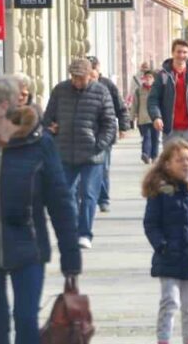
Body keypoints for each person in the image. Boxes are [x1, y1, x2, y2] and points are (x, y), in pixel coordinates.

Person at [0, 76, 81, 344]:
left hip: (29, 246)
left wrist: (71, 256)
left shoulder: (39, 144)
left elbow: (60, 203)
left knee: (26, 321)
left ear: (3, 106)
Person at [142, 140, 188, 344]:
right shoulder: (160, 192)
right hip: (168, 258)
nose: (186, 164)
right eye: (180, 160)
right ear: (167, 164)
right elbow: (151, 223)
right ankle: (164, 339)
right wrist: (161, 245)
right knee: (170, 302)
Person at [43, 58, 117, 250]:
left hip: (92, 154)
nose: (77, 81)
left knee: (88, 194)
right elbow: (47, 117)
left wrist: (100, 144)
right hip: (65, 151)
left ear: (89, 76)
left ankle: (84, 233)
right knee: (65, 195)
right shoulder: (60, 90)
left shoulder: (101, 91)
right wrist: (51, 128)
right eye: (74, 77)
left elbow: (109, 122)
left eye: (81, 78)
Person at [149, 40, 188, 147]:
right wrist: (156, 117)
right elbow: (153, 99)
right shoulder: (163, 75)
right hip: (170, 130)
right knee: (171, 162)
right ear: (172, 53)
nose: (181, 55)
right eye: (178, 52)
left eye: (184, 52)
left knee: (186, 162)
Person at [90, 57, 130, 214]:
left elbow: (120, 106)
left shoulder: (107, 85)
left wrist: (124, 126)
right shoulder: (79, 86)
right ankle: (91, 197)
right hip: (86, 134)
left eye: (95, 68)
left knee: (103, 167)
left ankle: (103, 199)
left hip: (105, 133)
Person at [134, 70, 158, 164]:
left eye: (150, 77)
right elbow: (135, 104)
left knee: (155, 138)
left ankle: (154, 155)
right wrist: (133, 116)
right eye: (146, 77)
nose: (148, 79)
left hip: (156, 118)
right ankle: (145, 154)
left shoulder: (157, 90)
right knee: (146, 136)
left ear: (154, 79)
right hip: (143, 118)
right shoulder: (139, 90)